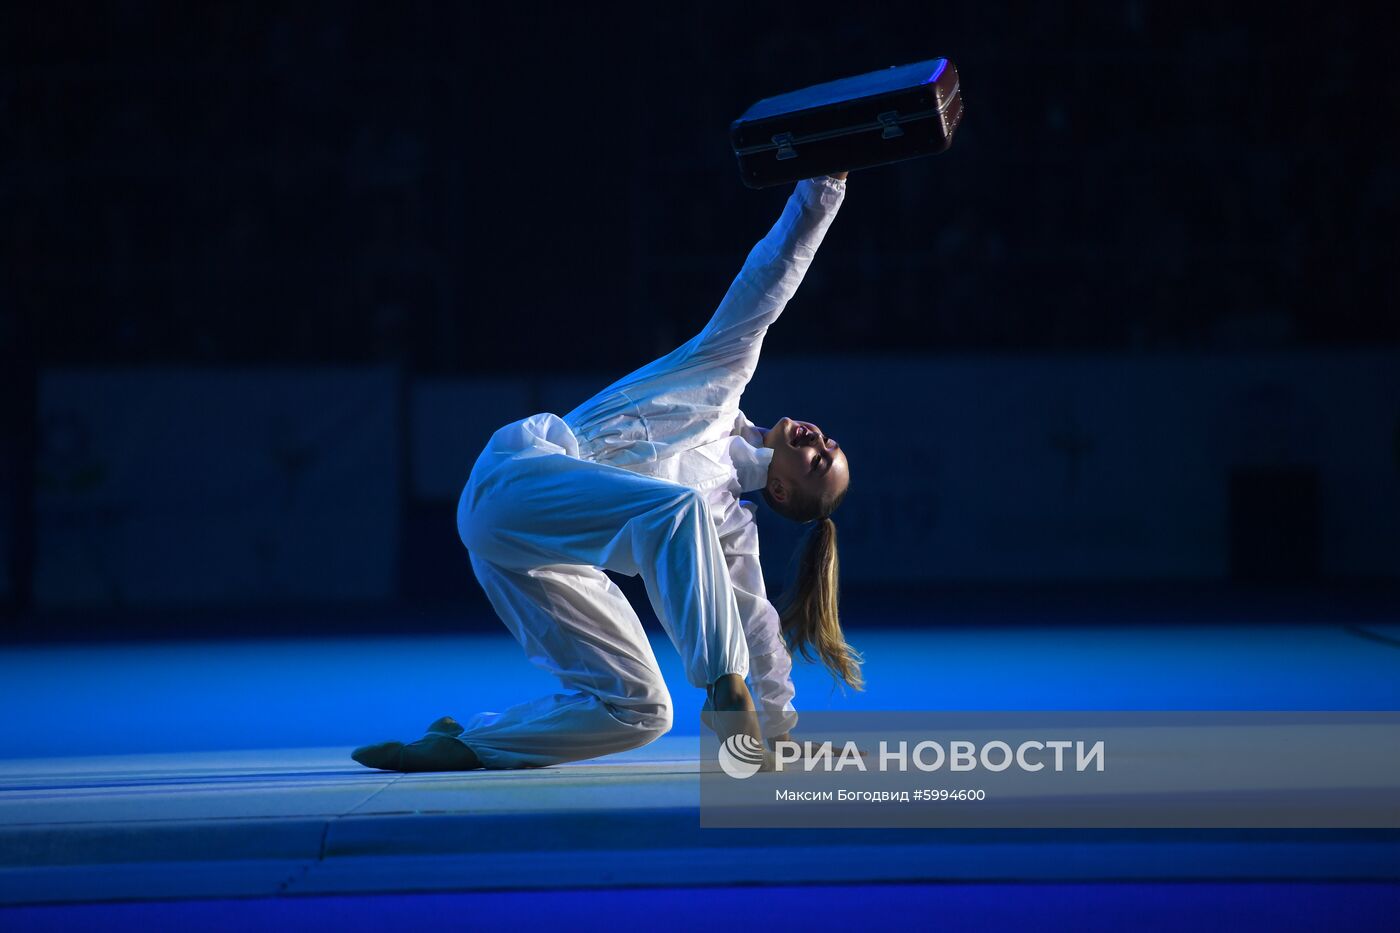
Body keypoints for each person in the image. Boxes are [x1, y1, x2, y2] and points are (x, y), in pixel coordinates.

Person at [352, 170, 862, 773]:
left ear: (780, 490)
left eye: (819, 463)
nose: (819, 441)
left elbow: (756, 626)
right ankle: (727, 700)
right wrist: (823, 187)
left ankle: (467, 743)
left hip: (532, 562)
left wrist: (778, 736)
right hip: (514, 485)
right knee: (675, 510)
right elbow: (768, 279)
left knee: (643, 711)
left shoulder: (723, 525)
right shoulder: (717, 379)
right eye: (829, 443)